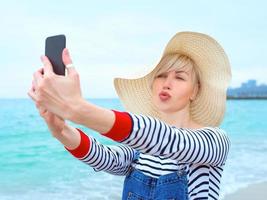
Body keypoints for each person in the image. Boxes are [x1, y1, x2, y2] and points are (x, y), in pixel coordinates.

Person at [28, 31, 232, 200]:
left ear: (195, 91)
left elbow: (168, 140)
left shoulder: (214, 141)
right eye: (160, 75)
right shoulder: (139, 151)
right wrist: (60, 130)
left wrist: (78, 109)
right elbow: (103, 156)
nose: (166, 83)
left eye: (179, 77)